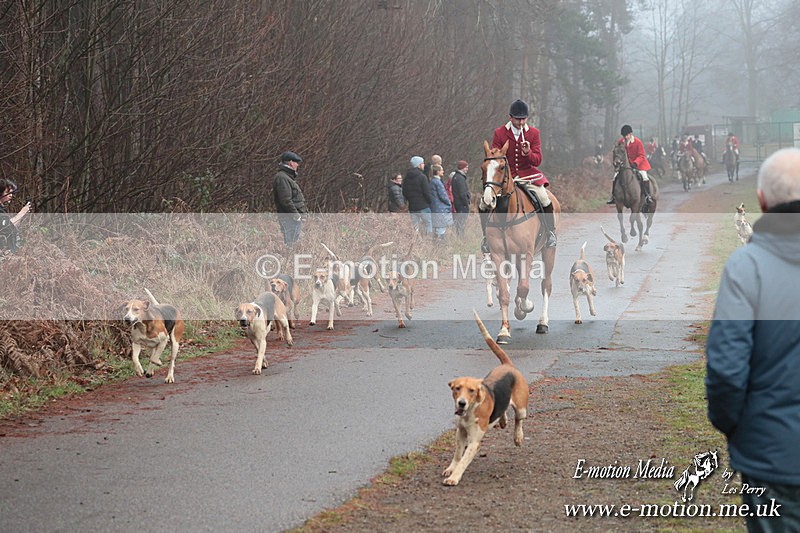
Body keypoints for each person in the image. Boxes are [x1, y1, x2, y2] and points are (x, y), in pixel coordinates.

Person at [706, 147, 800, 532]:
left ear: (761, 201)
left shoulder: (745, 267)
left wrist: (739, 430)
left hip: (771, 456)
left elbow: (726, 372)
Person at [481, 99, 557, 252]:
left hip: (527, 175)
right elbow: (494, 157)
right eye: (518, 119)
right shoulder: (500, 132)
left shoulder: (534, 133)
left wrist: (528, 153)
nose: (521, 122)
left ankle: (550, 232)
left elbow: (537, 160)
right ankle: (486, 238)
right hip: (505, 177)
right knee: (484, 203)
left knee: (544, 198)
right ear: (510, 117)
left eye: (524, 119)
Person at [607, 125, 654, 206]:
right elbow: (618, 153)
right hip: (625, 166)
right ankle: (613, 197)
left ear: (630, 134)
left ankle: (647, 196)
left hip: (638, 165)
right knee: (615, 177)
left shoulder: (638, 142)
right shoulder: (621, 142)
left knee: (644, 177)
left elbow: (641, 155)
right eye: (624, 135)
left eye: (627, 135)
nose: (625, 137)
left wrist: (635, 163)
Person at [272, 151, 308, 247]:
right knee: (290, 243)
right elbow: (286, 200)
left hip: (292, 218)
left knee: (294, 243)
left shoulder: (287, 177)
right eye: (296, 162)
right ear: (291, 163)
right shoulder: (282, 178)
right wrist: (296, 216)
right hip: (289, 218)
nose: (297, 165)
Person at [402, 156, 432, 234]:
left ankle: (416, 241)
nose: (424, 165)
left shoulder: (407, 177)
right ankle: (428, 240)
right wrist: (429, 201)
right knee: (428, 225)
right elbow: (426, 192)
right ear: (419, 165)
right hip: (423, 206)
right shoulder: (422, 177)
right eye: (422, 163)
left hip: (412, 207)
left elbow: (404, 192)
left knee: (415, 228)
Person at [0, 179, 31, 253]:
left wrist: (22, 214)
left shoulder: (2, 209)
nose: (10, 195)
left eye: (11, 193)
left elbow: (10, 227)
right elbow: (5, 227)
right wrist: (22, 212)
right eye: (7, 192)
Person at [429, 164, 453, 240]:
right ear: (437, 171)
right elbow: (443, 195)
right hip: (440, 208)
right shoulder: (437, 182)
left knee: (437, 227)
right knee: (441, 227)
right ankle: (440, 243)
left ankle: (437, 242)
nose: (443, 171)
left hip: (435, 207)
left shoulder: (432, 181)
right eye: (441, 170)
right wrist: (449, 203)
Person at [450, 160, 471, 236]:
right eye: (466, 167)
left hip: (458, 203)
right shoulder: (460, 178)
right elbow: (462, 193)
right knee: (461, 222)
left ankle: (460, 236)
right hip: (462, 204)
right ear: (462, 167)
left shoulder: (456, 177)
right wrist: (466, 202)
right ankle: (461, 237)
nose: (467, 169)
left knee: (460, 222)